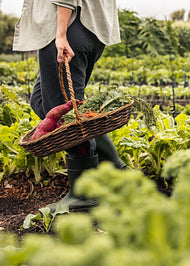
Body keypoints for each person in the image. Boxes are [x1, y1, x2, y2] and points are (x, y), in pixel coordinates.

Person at [13, 0, 126, 212]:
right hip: (88, 28)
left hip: (70, 25)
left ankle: (84, 196)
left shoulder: (65, 30)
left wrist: (61, 33)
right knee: (42, 101)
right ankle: (113, 167)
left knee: (68, 116)